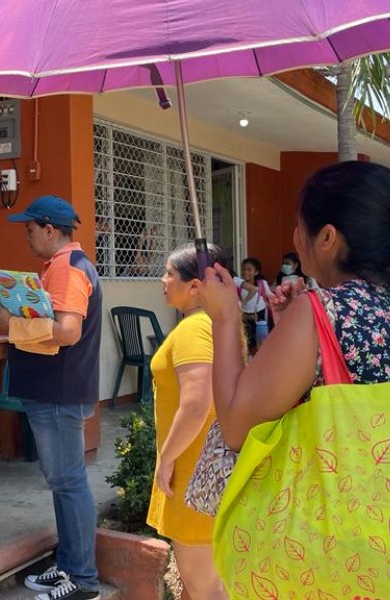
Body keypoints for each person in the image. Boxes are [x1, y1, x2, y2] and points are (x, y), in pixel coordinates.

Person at [199, 160, 390, 455]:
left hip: (336, 497)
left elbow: (235, 429)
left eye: (300, 223)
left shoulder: (320, 310)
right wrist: (289, 327)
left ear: (327, 238)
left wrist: (224, 317)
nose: (296, 234)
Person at [0, 195, 102, 600]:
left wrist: (10, 323)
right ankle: (70, 564)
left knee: (68, 482)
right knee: (62, 482)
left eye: (29, 228)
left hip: (59, 391)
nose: (26, 235)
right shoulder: (65, 266)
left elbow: (67, 331)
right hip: (56, 390)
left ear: (49, 229)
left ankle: (83, 578)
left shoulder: (68, 269)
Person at [146, 243, 230, 600]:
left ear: (195, 285)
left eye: (169, 273)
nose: (162, 280)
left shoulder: (194, 329)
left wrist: (166, 459)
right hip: (201, 472)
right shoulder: (211, 324)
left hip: (193, 473)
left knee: (205, 588)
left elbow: (197, 404)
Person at [239, 256, 271, 353]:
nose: (246, 272)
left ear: (256, 272)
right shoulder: (239, 285)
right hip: (245, 315)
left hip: (260, 314)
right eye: (244, 269)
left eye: (249, 270)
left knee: (261, 339)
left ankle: (260, 357)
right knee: (247, 339)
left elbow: (269, 295)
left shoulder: (262, 283)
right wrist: (247, 316)